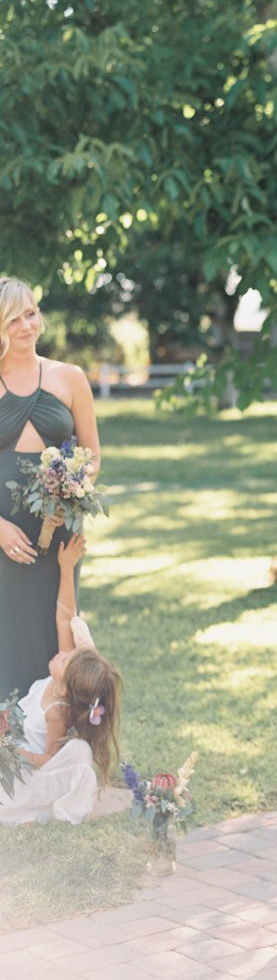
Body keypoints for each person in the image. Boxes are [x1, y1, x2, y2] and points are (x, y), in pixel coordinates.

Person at [0, 276, 101, 695]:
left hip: (58, 529)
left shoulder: (70, 377)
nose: (26, 326)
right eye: (12, 319)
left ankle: (58, 742)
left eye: (31, 313)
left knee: (60, 630)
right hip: (5, 532)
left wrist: (74, 490)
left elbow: (92, 453)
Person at [0, 533, 126, 825]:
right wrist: (67, 567)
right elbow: (64, 618)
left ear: (67, 687)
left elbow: (49, 762)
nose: (61, 655)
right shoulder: (66, 678)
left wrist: (9, 748)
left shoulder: (58, 711)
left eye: (65, 659)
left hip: (19, 769)